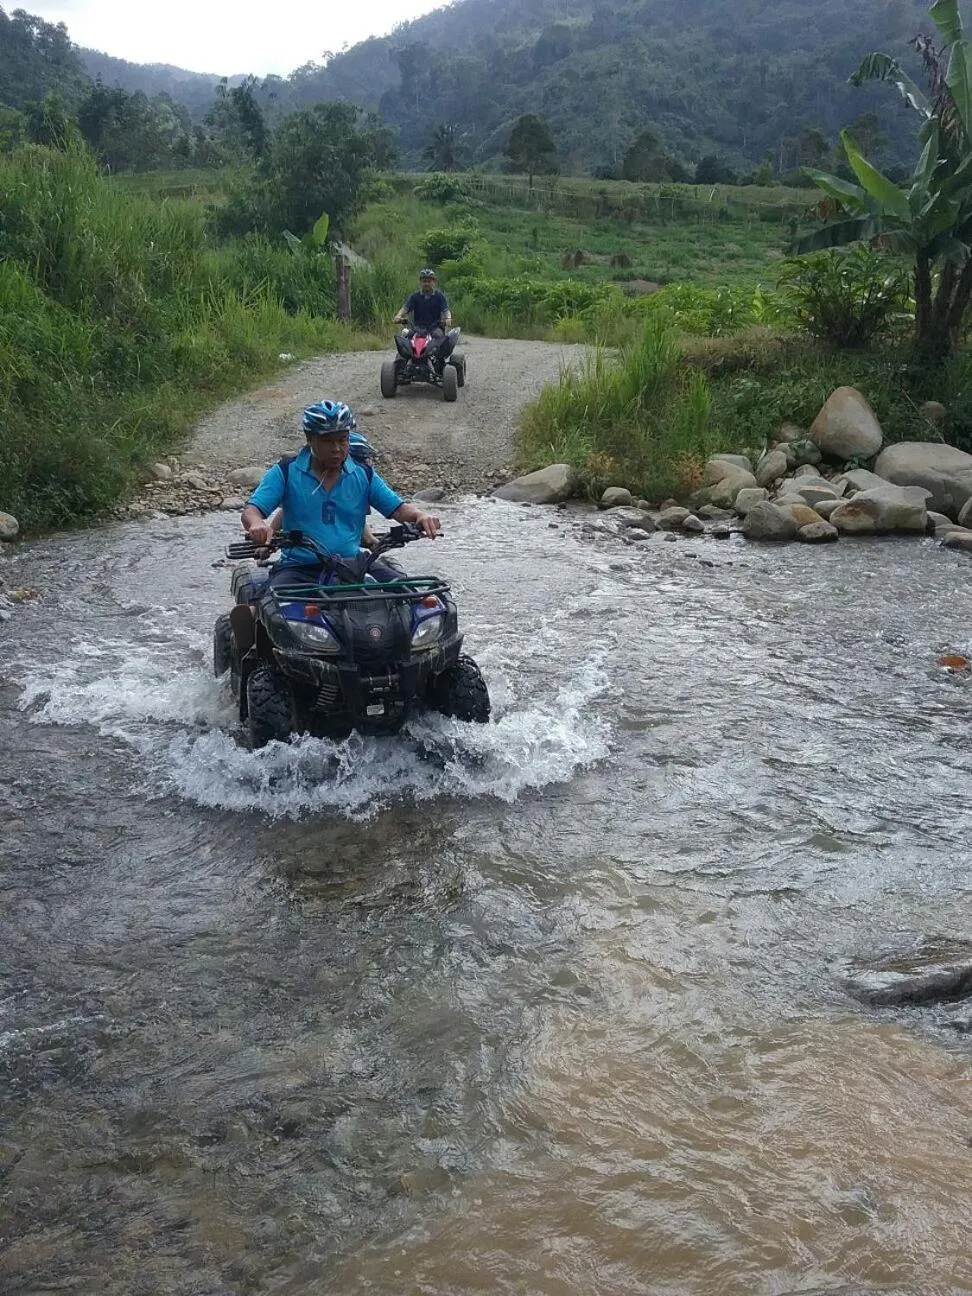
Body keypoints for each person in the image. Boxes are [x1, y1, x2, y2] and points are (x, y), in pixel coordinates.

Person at [240, 400, 438, 588]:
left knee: (412, 596)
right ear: (310, 439)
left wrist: (420, 516)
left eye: (342, 440)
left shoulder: (363, 474)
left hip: (353, 564)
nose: (336, 449)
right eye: (327, 441)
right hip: (299, 567)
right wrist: (257, 524)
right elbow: (252, 510)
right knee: (266, 605)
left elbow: (398, 509)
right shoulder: (286, 471)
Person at [394, 268, 452, 334]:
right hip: (418, 329)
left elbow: (446, 310)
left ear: (434, 282)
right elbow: (405, 308)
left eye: (429, 281)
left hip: (435, 328)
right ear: (420, 282)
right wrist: (398, 316)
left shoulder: (439, 296)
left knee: (438, 337)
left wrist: (448, 318)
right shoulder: (415, 296)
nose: (426, 283)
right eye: (424, 281)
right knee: (407, 337)